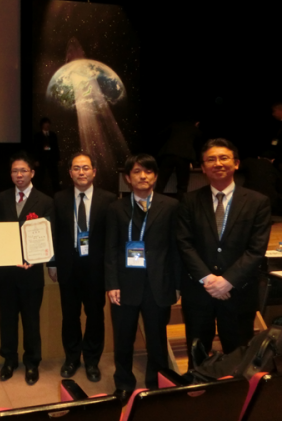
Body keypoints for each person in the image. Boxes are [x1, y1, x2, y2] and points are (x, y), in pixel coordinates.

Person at [177, 138, 271, 365]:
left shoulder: (258, 202)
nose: (217, 163)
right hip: (199, 292)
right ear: (203, 167)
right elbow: (184, 243)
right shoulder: (189, 201)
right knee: (197, 358)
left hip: (238, 292)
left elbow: (256, 249)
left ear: (236, 163)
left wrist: (228, 280)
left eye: (223, 158)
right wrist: (209, 279)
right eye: (211, 159)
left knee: (238, 358)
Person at [105, 154, 180, 403]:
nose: (143, 176)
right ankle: (124, 383)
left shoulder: (171, 206)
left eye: (148, 171)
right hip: (125, 284)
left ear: (155, 176)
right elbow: (111, 249)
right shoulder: (116, 208)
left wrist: (177, 285)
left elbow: (176, 248)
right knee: (123, 338)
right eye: (137, 172)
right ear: (128, 178)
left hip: (158, 284)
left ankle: (156, 383)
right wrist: (112, 283)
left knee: (157, 339)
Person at [0, 151, 54, 385]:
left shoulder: (45, 201)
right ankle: (9, 360)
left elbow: (48, 236)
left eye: (23, 170)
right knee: (7, 319)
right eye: (15, 171)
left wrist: (37, 258)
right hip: (7, 271)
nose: (19, 175)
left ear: (32, 173)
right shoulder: (1, 198)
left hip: (31, 272)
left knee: (31, 320)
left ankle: (32, 362)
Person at [51, 152, 116, 382]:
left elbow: (112, 237)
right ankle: (71, 358)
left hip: (95, 268)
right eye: (76, 168)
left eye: (86, 168)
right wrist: (52, 263)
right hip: (68, 266)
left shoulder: (108, 199)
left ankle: (91, 360)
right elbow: (54, 233)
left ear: (94, 171)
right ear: (70, 173)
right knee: (70, 316)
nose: (81, 172)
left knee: (95, 316)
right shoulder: (59, 198)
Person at [155, 120, 201, 199]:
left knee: (161, 183)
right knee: (182, 185)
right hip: (184, 157)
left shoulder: (175, 125)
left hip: (169, 154)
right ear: (196, 123)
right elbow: (199, 145)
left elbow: (160, 135)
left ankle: (154, 202)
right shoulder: (195, 130)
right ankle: (180, 203)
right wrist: (195, 162)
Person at [241, 151, 282, 216]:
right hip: (269, 201)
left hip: (249, 197)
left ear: (258, 157)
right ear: (272, 160)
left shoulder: (249, 162)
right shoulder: (275, 170)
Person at [33, 117, 61, 195]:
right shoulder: (37, 136)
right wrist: (36, 160)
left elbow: (56, 147)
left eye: (48, 123)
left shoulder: (53, 135)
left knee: (55, 177)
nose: (47, 125)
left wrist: (58, 159)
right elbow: (35, 148)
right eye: (46, 123)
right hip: (41, 159)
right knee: (40, 177)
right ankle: (38, 193)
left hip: (52, 159)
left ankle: (57, 193)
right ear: (42, 125)